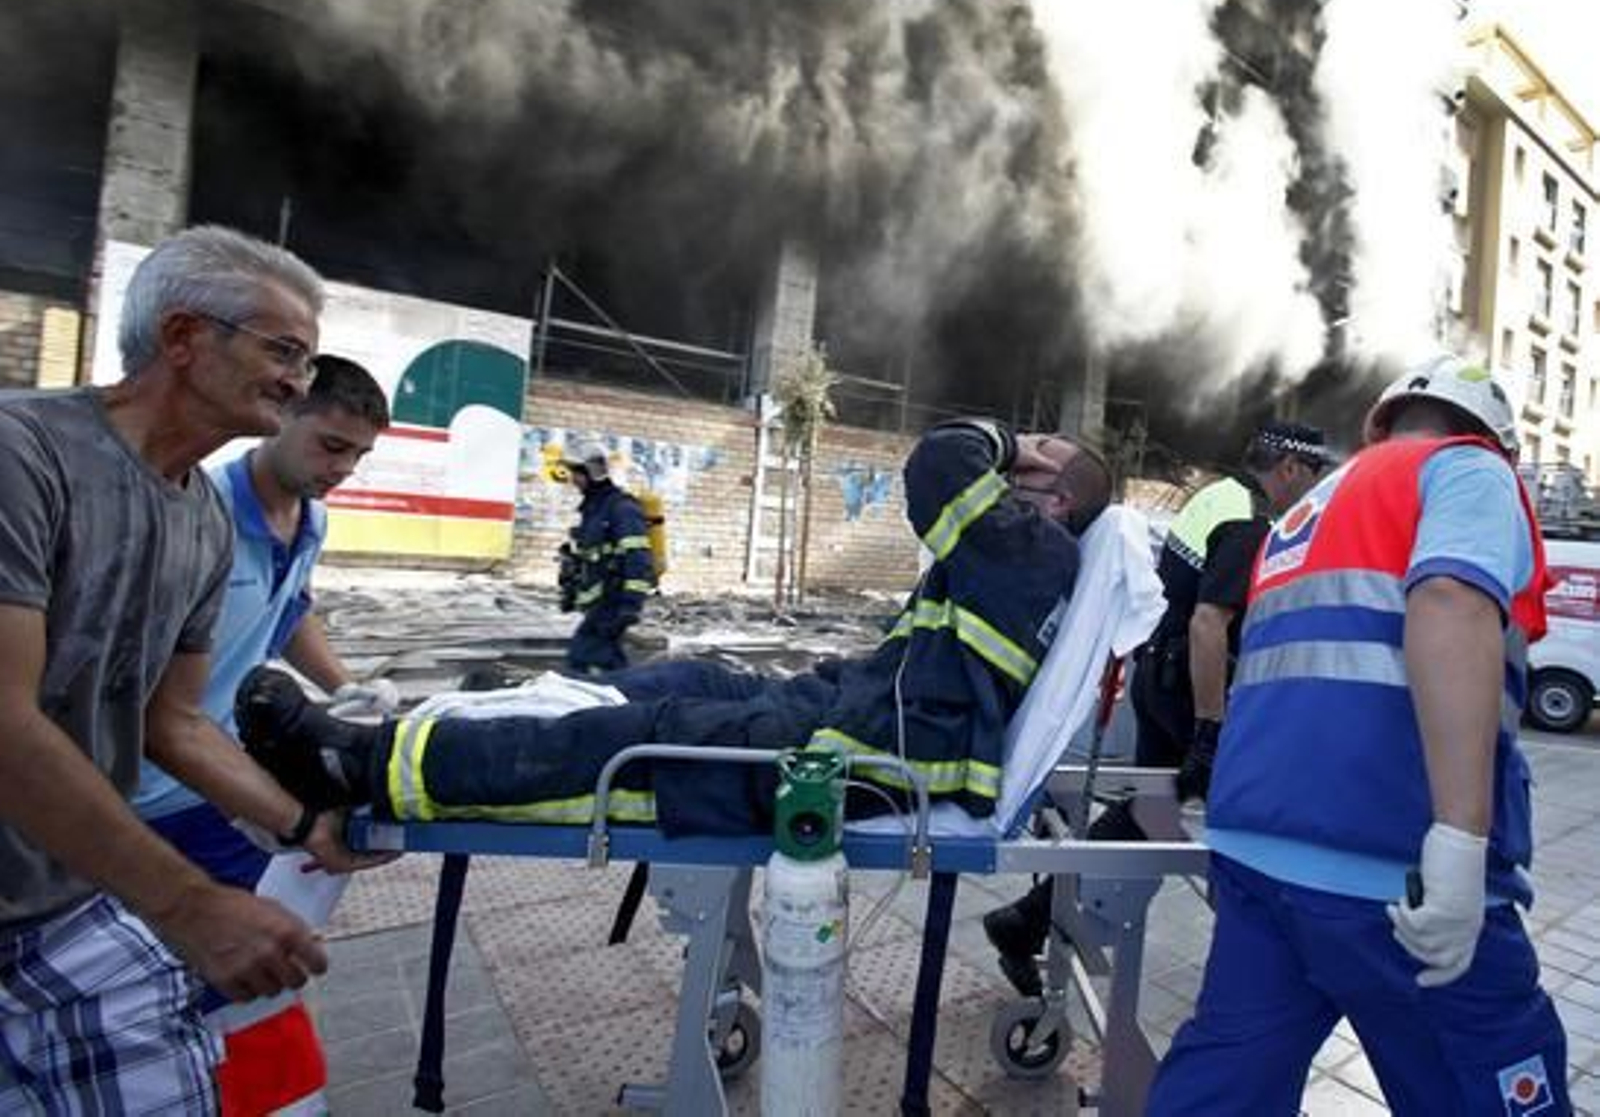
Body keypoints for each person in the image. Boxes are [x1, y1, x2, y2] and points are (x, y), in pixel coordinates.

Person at [237, 421, 1113, 838]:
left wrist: (1002, 437)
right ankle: (475, 720)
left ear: (1059, 495)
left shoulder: (1033, 549)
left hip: (878, 753)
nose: (1022, 455)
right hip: (869, 713)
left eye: (1042, 452)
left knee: (648, 738)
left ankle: (367, 767)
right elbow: (922, 658)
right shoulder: (1015, 554)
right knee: (695, 676)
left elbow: (939, 461)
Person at [0, 225, 372, 1115]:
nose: (297, 381)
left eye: (307, 360)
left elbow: (175, 723)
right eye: (283, 351)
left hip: (54, 893)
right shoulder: (24, 454)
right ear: (182, 339)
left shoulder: (201, 518)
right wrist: (189, 902)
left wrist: (304, 826)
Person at [1147, 355, 1569, 1115]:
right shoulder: (1466, 470)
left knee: (1225, 1084)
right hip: (1388, 861)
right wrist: (1461, 837)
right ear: (1497, 440)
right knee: (1487, 1079)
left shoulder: (1302, 515)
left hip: (1257, 852)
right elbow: (1449, 598)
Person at [982, 422, 1332, 996]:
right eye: (1315, 478)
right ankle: (1265, 967)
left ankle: (1027, 918)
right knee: (1245, 823)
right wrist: (1209, 730)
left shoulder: (1216, 494)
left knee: (1150, 811)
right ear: (1292, 469)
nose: (1314, 495)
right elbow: (1207, 623)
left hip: (1159, 679)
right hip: (1185, 690)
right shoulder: (1250, 518)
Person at [130, 352, 391, 1116]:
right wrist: (303, 824)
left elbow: (291, 607)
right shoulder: (197, 508)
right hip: (155, 785)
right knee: (211, 977)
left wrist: (345, 685)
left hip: (222, 776)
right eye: (331, 446)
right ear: (284, 415)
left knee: (247, 978)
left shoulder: (308, 515)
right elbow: (157, 713)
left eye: (360, 455)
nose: (342, 468)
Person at [558, 444, 656, 675]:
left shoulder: (622, 508)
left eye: (577, 473)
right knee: (605, 663)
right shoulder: (594, 508)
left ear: (592, 473)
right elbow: (590, 556)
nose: (573, 479)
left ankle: (619, 700)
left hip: (613, 602)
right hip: (599, 604)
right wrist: (572, 589)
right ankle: (625, 699)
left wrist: (630, 606)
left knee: (583, 659)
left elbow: (638, 557)